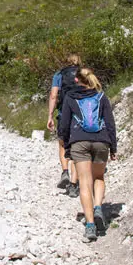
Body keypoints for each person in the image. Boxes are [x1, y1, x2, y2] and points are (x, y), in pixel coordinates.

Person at [58, 67, 117, 242]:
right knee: (99, 177)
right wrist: (113, 147)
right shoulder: (101, 96)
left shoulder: (70, 97)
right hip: (101, 141)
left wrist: (67, 146)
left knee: (84, 182)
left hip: (79, 141)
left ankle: (90, 225)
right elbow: (110, 122)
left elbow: (65, 125)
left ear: (76, 80)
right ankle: (98, 206)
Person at [47, 54, 82, 198]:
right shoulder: (84, 73)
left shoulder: (59, 75)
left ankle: (65, 171)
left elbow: (54, 95)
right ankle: (74, 185)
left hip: (64, 113)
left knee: (62, 145)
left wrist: (50, 115)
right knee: (77, 148)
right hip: (80, 115)